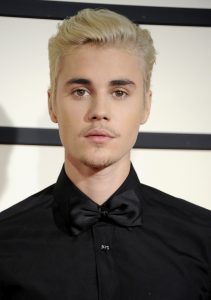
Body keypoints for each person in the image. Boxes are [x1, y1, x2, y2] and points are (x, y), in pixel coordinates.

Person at [0, 8, 211, 300]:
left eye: (119, 92)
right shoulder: (5, 242)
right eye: (80, 92)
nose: (99, 112)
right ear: (52, 105)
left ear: (146, 106)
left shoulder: (203, 237)